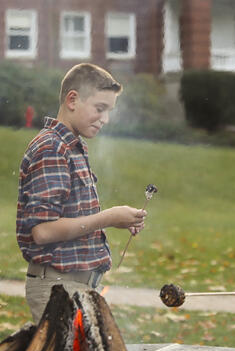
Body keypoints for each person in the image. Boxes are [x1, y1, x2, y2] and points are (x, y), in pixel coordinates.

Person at [16, 63, 147, 320]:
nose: (105, 119)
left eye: (109, 111)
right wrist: (108, 218)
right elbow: (43, 231)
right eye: (100, 109)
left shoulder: (74, 147)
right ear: (72, 100)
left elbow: (73, 219)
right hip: (57, 291)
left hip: (78, 288)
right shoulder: (52, 148)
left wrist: (119, 220)